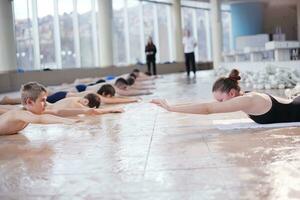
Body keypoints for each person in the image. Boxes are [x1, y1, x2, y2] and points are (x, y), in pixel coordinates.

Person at [151, 69, 300, 124]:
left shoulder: (247, 100)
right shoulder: (243, 97)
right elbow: (207, 104)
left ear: (231, 93)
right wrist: (172, 106)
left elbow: (208, 108)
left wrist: (171, 108)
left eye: (220, 100)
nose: (219, 104)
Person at [0, 82, 81, 135]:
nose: (46, 104)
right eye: (43, 100)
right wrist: (65, 121)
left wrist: (86, 111)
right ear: (30, 102)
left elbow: (58, 112)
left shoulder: (31, 112)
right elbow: (41, 119)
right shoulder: (20, 113)